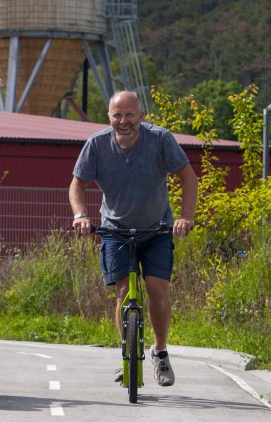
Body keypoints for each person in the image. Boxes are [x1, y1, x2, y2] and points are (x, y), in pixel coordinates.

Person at [69, 90, 197, 387]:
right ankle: (127, 352)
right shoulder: (97, 144)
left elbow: (188, 178)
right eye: (117, 115)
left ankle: (160, 351)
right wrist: (80, 215)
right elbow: (77, 185)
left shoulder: (160, 139)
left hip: (156, 230)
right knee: (124, 293)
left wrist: (186, 217)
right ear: (109, 117)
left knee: (157, 290)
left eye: (129, 115)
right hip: (115, 231)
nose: (123, 121)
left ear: (141, 115)